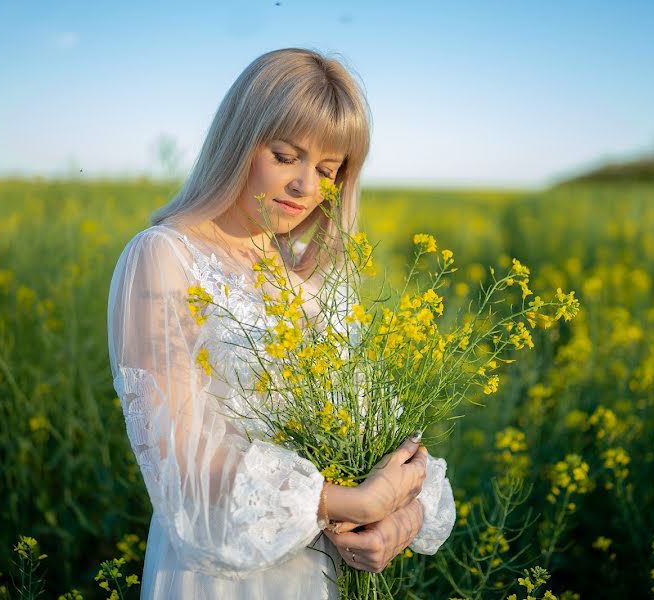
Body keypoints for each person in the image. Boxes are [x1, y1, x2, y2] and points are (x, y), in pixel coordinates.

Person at [106, 48, 456, 599]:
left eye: (327, 170)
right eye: (285, 155)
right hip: (222, 576)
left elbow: (385, 437)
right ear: (238, 138)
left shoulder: (319, 281)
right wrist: (349, 502)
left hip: (327, 575)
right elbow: (181, 466)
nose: (304, 187)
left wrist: (398, 522)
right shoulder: (164, 256)